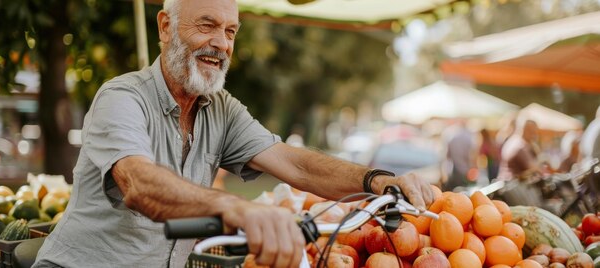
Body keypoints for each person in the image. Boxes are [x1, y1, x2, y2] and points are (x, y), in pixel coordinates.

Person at [32, 0, 433, 267]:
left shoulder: (221, 108)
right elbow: (139, 184)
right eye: (207, 26)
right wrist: (238, 209)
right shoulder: (121, 96)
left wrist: (376, 180)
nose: (220, 44)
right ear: (166, 26)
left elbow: (295, 164)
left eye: (231, 32)